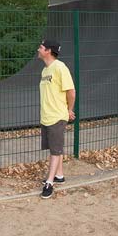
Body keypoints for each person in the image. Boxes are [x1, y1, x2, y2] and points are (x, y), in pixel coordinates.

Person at [37, 38, 75, 199]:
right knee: (55, 148)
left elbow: (71, 92)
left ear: (48, 51)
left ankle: (50, 182)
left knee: (55, 150)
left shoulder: (60, 68)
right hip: (46, 116)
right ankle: (59, 175)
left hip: (57, 116)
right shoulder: (45, 71)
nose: (38, 49)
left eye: (41, 47)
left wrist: (68, 110)